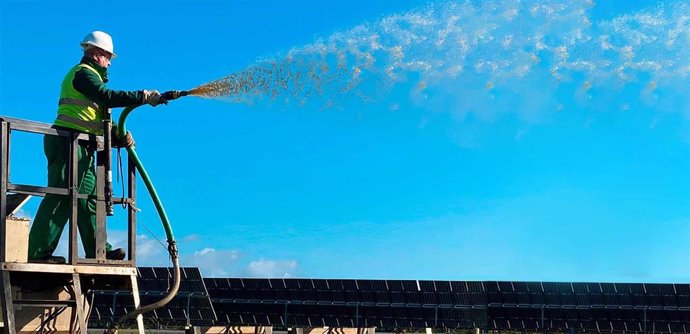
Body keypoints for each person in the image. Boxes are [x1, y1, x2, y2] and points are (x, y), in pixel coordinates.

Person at [28, 31, 167, 264]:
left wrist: (118, 135)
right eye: (107, 56)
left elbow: (97, 116)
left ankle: (99, 250)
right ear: (96, 54)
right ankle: (36, 254)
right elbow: (106, 97)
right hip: (66, 141)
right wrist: (142, 96)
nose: (110, 62)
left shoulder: (92, 78)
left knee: (89, 198)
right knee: (61, 196)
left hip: (81, 144)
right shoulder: (83, 74)